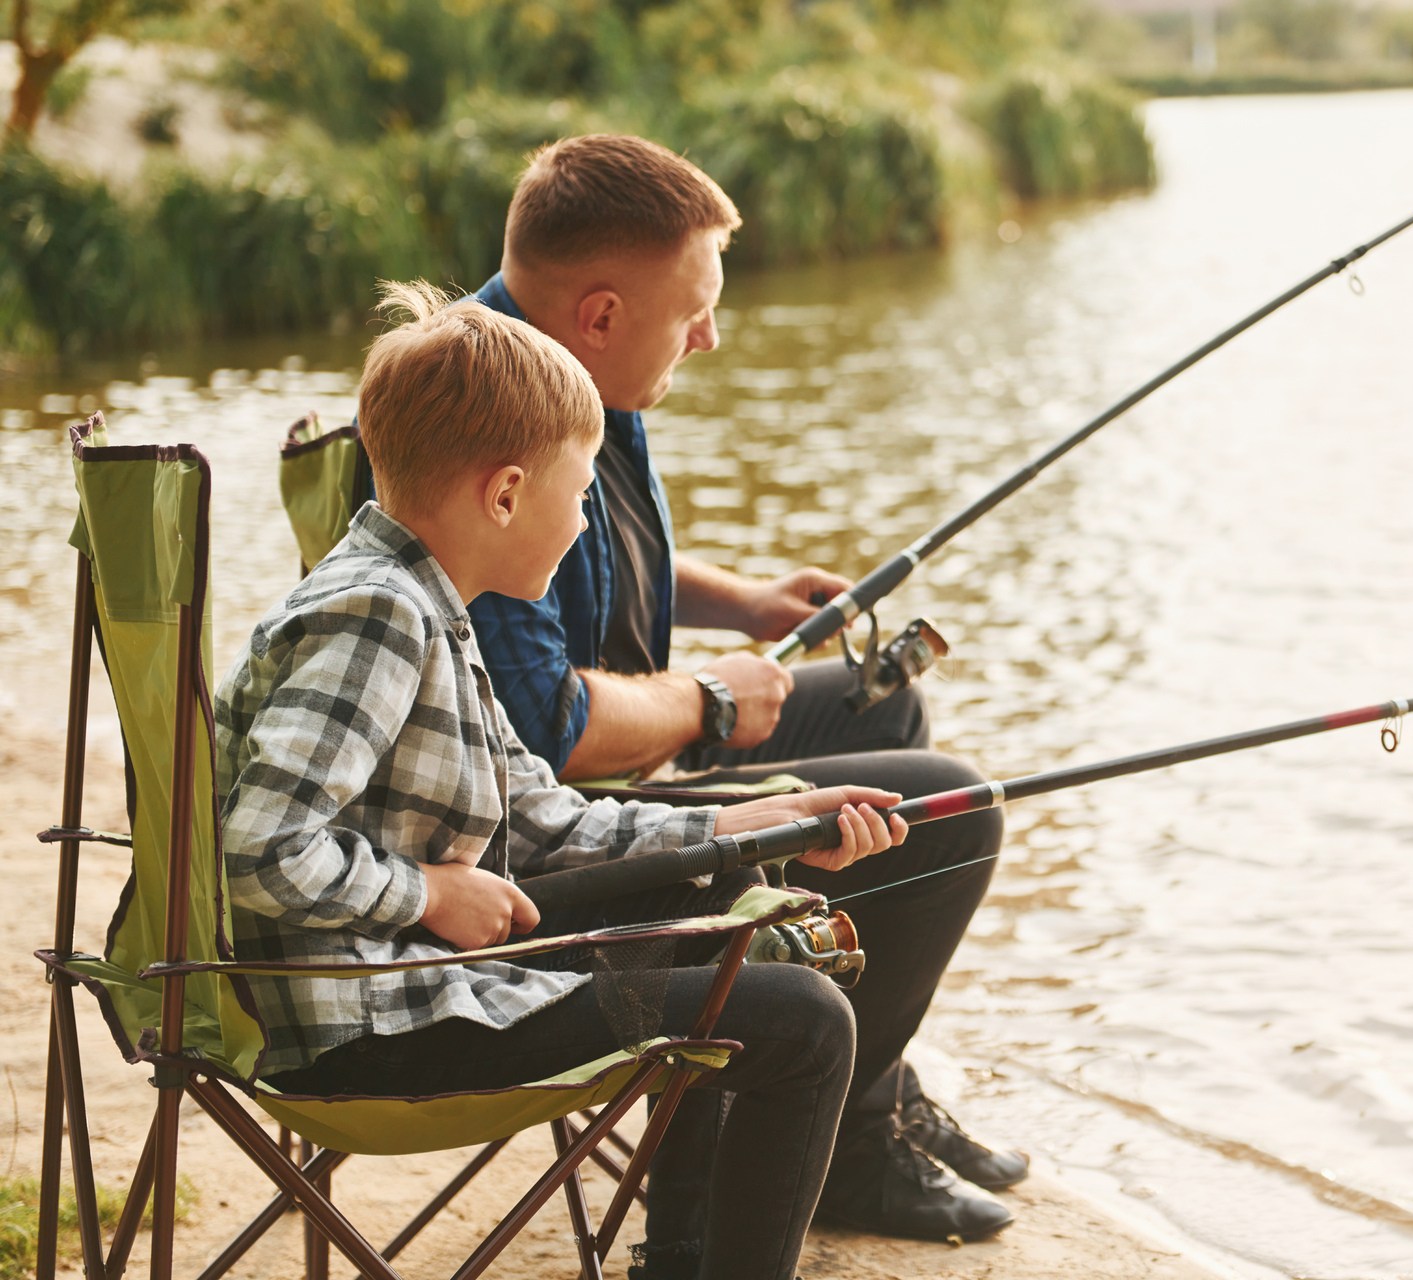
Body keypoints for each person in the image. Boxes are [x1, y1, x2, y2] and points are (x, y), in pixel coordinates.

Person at [216, 282, 910, 1280]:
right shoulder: (379, 616)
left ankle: (680, 1257)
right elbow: (259, 844)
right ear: (504, 493)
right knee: (804, 1020)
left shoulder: (419, 600)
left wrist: (753, 823)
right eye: (579, 489)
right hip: (375, 1021)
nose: (585, 522)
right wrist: (428, 892)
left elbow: (544, 813)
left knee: (730, 909)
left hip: (405, 981)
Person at [460, 134, 1025, 1251]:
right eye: (694, 312)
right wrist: (710, 702)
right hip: (568, 825)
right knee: (955, 811)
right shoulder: (502, 418)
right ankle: (850, 1136)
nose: (711, 335)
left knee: (879, 707)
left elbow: (604, 565)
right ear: (602, 314)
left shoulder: (576, 368)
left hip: (620, 764)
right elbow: (544, 729)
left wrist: (747, 605)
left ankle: (871, 1091)